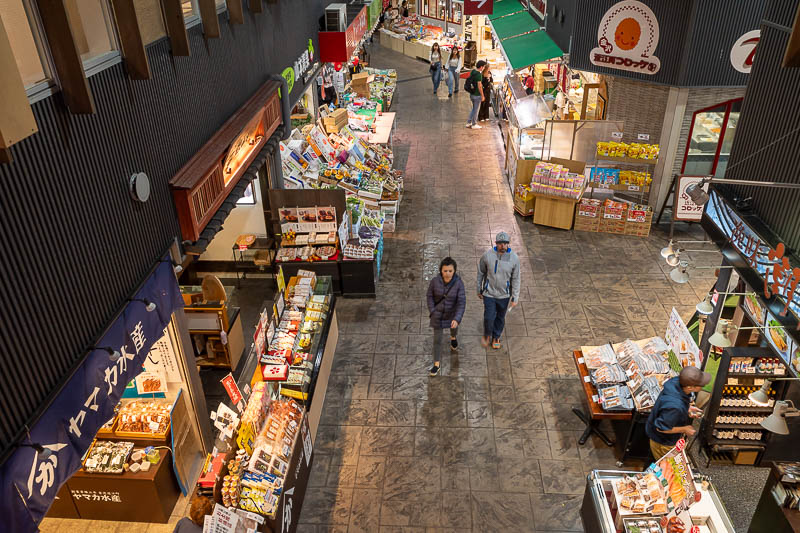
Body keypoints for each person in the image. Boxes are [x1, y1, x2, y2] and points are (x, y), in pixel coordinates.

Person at [645, 366, 709, 460]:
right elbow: (661, 428)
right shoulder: (675, 406)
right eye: (701, 385)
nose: (703, 386)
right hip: (663, 441)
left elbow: (673, 402)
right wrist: (685, 429)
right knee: (664, 466)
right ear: (690, 387)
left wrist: (686, 408)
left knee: (652, 461)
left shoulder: (676, 382)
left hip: (655, 430)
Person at [477, 232, 520, 348]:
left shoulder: (514, 259)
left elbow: (516, 279)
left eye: (505, 243)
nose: (502, 246)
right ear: (496, 244)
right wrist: (479, 288)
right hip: (489, 293)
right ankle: (487, 334)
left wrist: (515, 297)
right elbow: (481, 272)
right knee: (488, 317)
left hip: (504, 296)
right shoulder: (487, 255)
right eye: (500, 243)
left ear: (508, 244)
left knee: (500, 317)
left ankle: (496, 337)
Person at [426, 257, 466, 376]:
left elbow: (461, 302)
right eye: (445, 271)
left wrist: (457, 318)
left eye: (450, 271)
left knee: (453, 328)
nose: (447, 273)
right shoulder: (434, 281)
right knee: (437, 340)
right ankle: (436, 364)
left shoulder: (459, 284)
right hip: (438, 314)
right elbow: (429, 296)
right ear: (441, 271)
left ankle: (453, 338)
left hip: (452, 314)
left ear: (454, 271)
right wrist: (433, 310)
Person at [465, 60, 487, 129]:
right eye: (483, 67)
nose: (484, 68)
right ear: (481, 67)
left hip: (472, 93)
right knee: (476, 110)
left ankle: (469, 122)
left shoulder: (473, 72)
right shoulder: (478, 75)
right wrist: (482, 95)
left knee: (474, 109)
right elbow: (479, 86)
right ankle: (474, 124)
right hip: (477, 95)